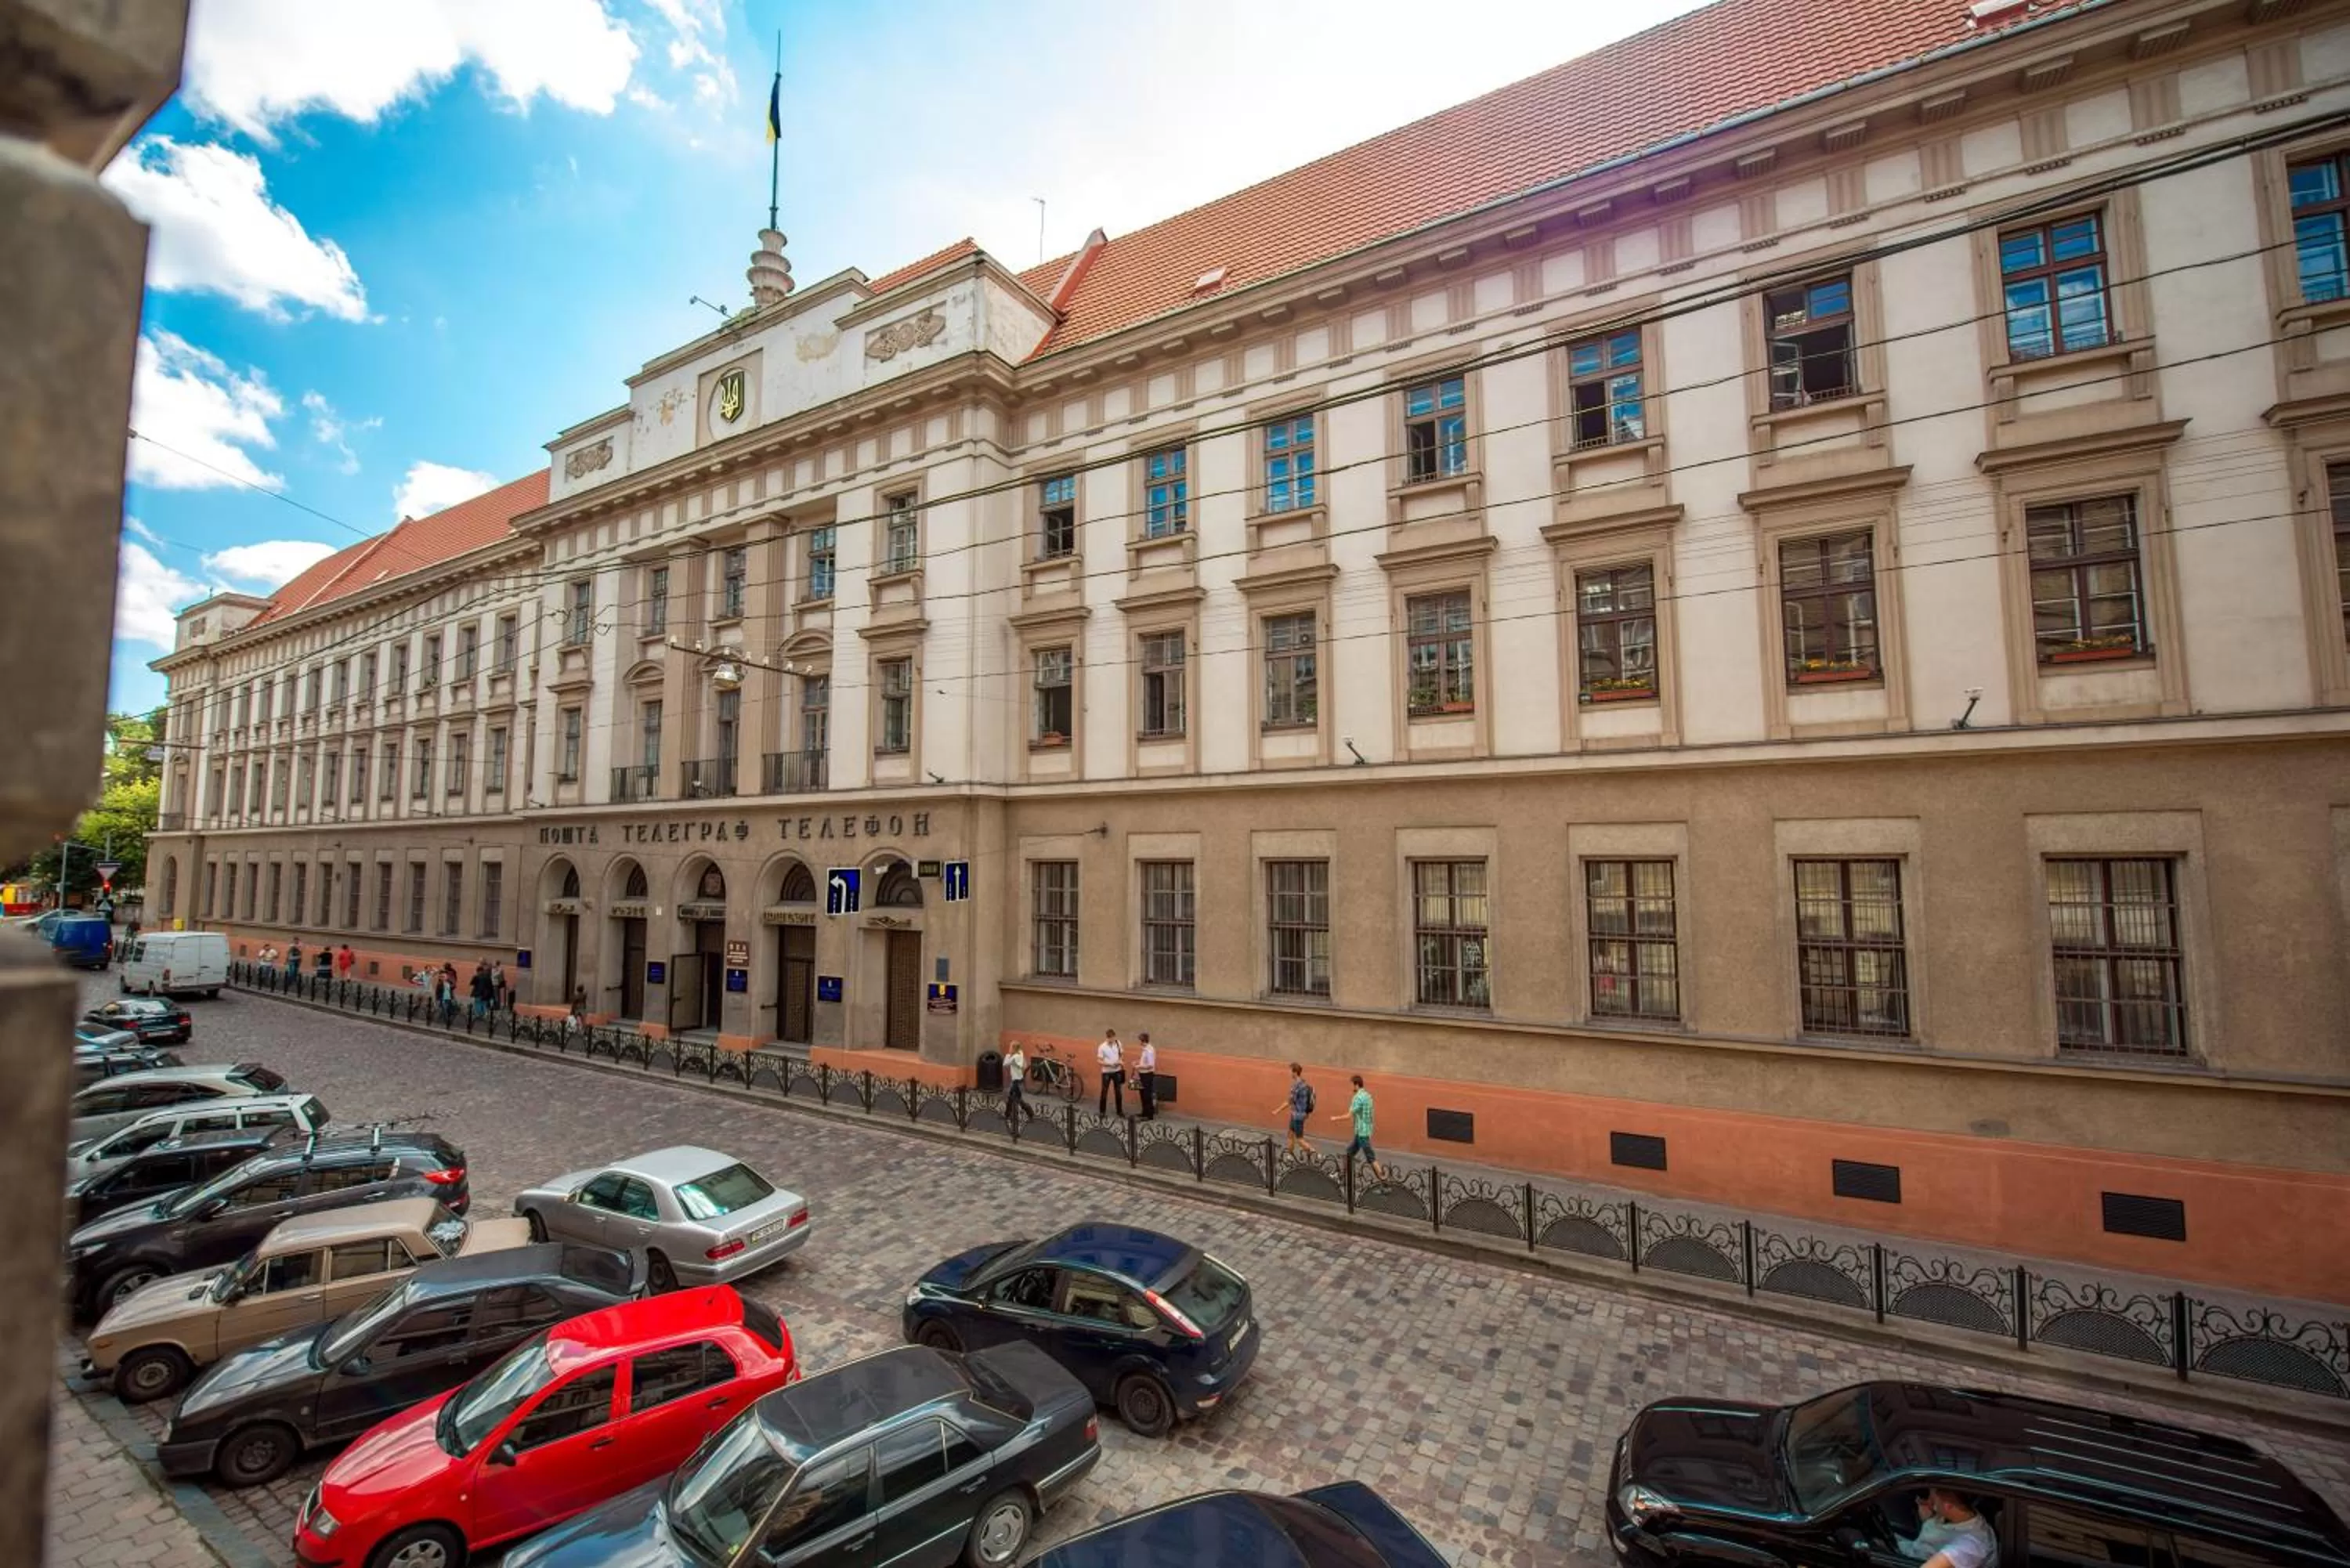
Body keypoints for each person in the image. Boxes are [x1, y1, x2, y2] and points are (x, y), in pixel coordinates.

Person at [1900, 1491, 1998, 1568]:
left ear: (1948, 1505)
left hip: (1909, 1560)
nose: (1930, 1502)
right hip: (1911, 1548)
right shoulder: (1964, 1516)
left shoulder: (1970, 1546)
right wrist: (1928, 1519)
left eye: (1934, 1499)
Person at [1329, 1073, 1390, 1183]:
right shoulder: (1368, 1096)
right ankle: (1341, 1176)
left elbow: (1348, 1116)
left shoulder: (1357, 1098)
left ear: (1356, 1085)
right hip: (1365, 1131)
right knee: (1349, 1153)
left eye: (1352, 1085)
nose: (1351, 1087)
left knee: (1371, 1158)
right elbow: (1370, 1114)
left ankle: (1385, 1183)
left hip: (1362, 1133)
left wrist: (1335, 1118)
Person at [1277, 1061, 1315, 1158]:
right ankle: (1289, 1157)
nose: (1289, 1073)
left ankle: (1316, 1155)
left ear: (1295, 1072)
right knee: (1290, 1134)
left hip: (1298, 1116)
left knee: (1300, 1139)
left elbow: (1289, 1101)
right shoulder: (1303, 1083)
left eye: (1290, 1071)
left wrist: (1277, 1110)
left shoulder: (1297, 1086)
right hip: (1296, 1114)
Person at [1095, 1028, 1126, 1118]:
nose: (1112, 1040)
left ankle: (1120, 1111)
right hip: (1106, 1072)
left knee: (1118, 1091)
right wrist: (1110, 1064)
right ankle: (1102, 1112)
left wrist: (1120, 1061)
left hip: (1117, 1071)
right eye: (1110, 1039)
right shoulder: (1102, 1047)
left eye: (1113, 1038)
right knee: (1104, 1091)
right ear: (1107, 1038)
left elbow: (1121, 1054)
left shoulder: (1118, 1043)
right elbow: (1099, 1061)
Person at [1003, 1040, 1032, 1125]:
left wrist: (1008, 1054)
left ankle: (1008, 1115)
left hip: (1016, 1080)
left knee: (1013, 1098)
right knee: (1016, 1098)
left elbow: (1005, 1064)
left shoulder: (1014, 1058)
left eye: (1010, 1047)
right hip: (1018, 1079)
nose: (1009, 1048)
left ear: (1014, 1049)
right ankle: (1009, 1115)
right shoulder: (1020, 1053)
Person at [1135, 1032, 1159, 1120]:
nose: (1139, 1042)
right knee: (1143, 1094)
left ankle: (1149, 1115)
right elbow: (1144, 1061)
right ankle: (1144, 1112)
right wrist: (1138, 1062)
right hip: (1143, 1074)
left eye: (1140, 1040)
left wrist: (1139, 1066)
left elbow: (1150, 1065)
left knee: (1147, 1094)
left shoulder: (1149, 1050)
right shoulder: (1145, 1049)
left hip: (1147, 1074)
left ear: (1143, 1041)